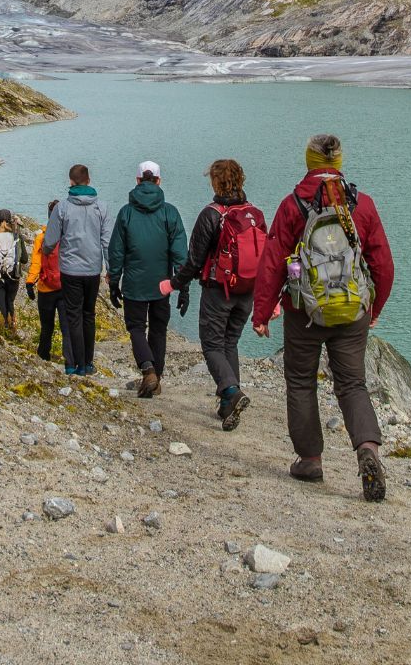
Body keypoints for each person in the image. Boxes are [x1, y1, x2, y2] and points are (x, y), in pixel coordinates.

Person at [253, 133, 394, 502]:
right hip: (352, 312)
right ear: (339, 162)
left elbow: (271, 264)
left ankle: (310, 460)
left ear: (309, 161)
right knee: (352, 384)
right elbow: (383, 265)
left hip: (305, 313)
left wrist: (263, 312)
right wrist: (373, 308)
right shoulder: (361, 205)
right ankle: (368, 449)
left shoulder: (292, 205)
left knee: (301, 381)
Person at [168, 158, 265, 429]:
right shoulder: (254, 213)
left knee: (211, 344)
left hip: (218, 289)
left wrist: (176, 283)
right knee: (230, 342)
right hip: (247, 291)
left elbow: (194, 260)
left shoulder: (211, 214)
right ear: (241, 180)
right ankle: (226, 405)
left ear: (214, 181)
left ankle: (232, 392)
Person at [106, 160, 187, 398]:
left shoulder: (126, 213)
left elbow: (116, 251)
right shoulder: (170, 212)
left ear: (138, 181)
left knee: (136, 328)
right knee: (159, 330)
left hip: (134, 283)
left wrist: (114, 281)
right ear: (159, 181)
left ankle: (148, 370)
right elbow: (180, 252)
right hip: (163, 284)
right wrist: (183, 287)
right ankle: (155, 379)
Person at [42, 164, 110, 376]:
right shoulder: (102, 207)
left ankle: (76, 364)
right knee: (89, 314)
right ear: (88, 181)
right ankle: (88, 363)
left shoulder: (62, 208)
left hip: (70, 270)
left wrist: (45, 250)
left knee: (73, 316)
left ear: (71, 182)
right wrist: (111, 269)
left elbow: (50, 241)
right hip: (92, 270)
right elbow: (106, 241)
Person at [25, 199, 63, 361]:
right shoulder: (68, 236)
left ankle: (43, 356)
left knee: (47, 326)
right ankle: (71, 360)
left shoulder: (42, 237)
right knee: (67, 326)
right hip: (65, 287)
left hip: (46, 287)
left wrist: (29, 282)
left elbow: (36, 262)